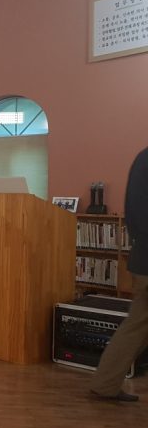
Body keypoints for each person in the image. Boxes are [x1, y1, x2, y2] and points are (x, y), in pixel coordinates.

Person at [89, 146, 148, 402]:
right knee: (136, 327)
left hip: (142, 257)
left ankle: (105, 384)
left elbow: (135, 215)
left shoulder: (143, 158)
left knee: (136, 327)